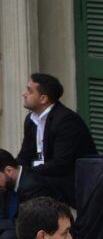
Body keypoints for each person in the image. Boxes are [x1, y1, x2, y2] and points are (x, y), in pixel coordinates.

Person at [17, 73, 97, 207]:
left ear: (43, 98)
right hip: (43, 174)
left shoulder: (66, 121)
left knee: (30, 185)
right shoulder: (31, 120)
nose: (24, 94)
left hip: (69, 180)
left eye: (30, 91)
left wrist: (25, 174)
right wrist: (13, 170)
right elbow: (25, 155)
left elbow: (60, 164)